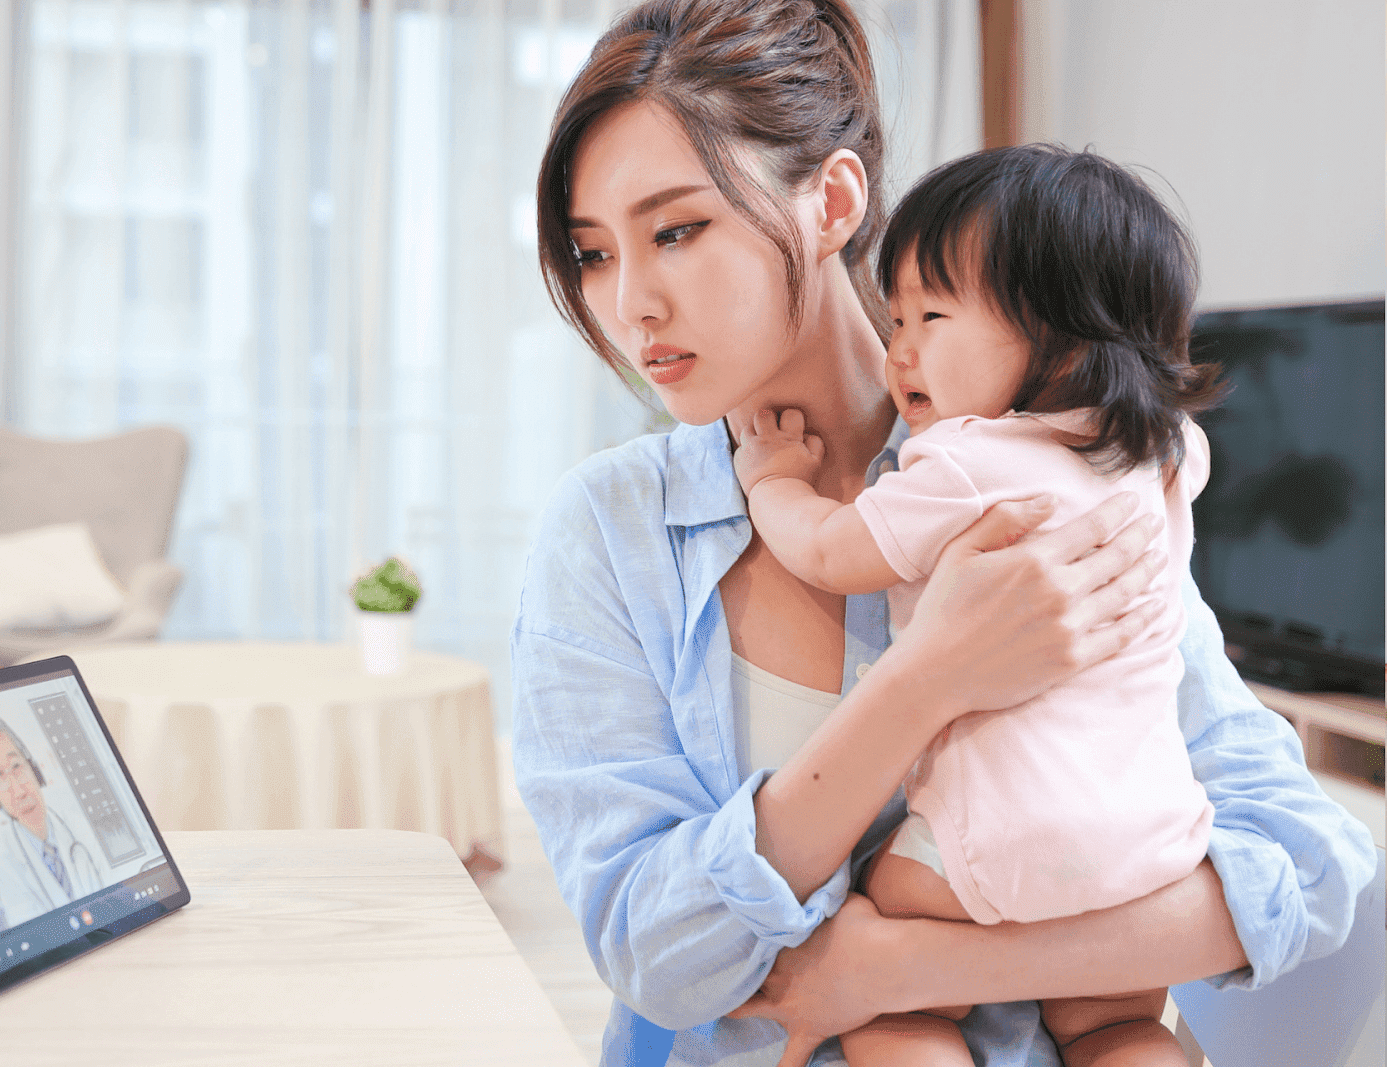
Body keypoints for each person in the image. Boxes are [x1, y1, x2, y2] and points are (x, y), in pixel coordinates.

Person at [510, 1, 1377, 1066]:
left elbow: (1309, 861)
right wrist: (928, 678)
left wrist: (909, 969)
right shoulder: (609, 533)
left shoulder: (1044, 477)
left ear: (832, 201)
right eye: (592, 253)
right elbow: (653, 951)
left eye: (675, 231)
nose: (630, 303)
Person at [732, 144, 1227, 1066]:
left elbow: (834, 551)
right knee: (1119, 1028)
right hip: (1148, 836)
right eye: (895, 317)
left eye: (931, 316)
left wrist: (772, 483)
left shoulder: (967, 460)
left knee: (884, 988)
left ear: (1064, 339)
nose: (900, 349)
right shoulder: (1167, 456)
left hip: (998, 838)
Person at [0, 712, 104, 929]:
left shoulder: (79, 825)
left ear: (34, 768)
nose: (19, 791)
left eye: (16, 766)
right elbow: (31, 932)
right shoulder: (5, 863)